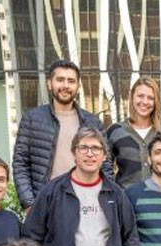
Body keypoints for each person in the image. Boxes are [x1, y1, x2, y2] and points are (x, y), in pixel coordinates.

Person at [22, 127, 140, 246]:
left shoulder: (116, 193)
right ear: (74, 153)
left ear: (104, 156)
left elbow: (130, 239)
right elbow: (31, 237)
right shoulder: (53, 191)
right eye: (83, 148)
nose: (90, 154)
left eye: (96, 149)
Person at [12, 59, 107, 210]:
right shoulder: (32, 119)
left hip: (86, 202)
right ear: (50, 84)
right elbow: (21, 163)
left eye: (71, 81)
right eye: (60, 80)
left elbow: (105, 165)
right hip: (47, 203)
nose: (65, 85)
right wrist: (29, 203)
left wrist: (105, 201)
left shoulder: (92, 122)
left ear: (78, 86)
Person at [106, 76, 161, 188]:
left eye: (150, 98)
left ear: (156, 101)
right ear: (132, 97)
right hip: (127, 201)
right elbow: (105, 167)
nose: (145, 102)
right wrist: (115, 194)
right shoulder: (116, 131)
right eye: (140, 96)